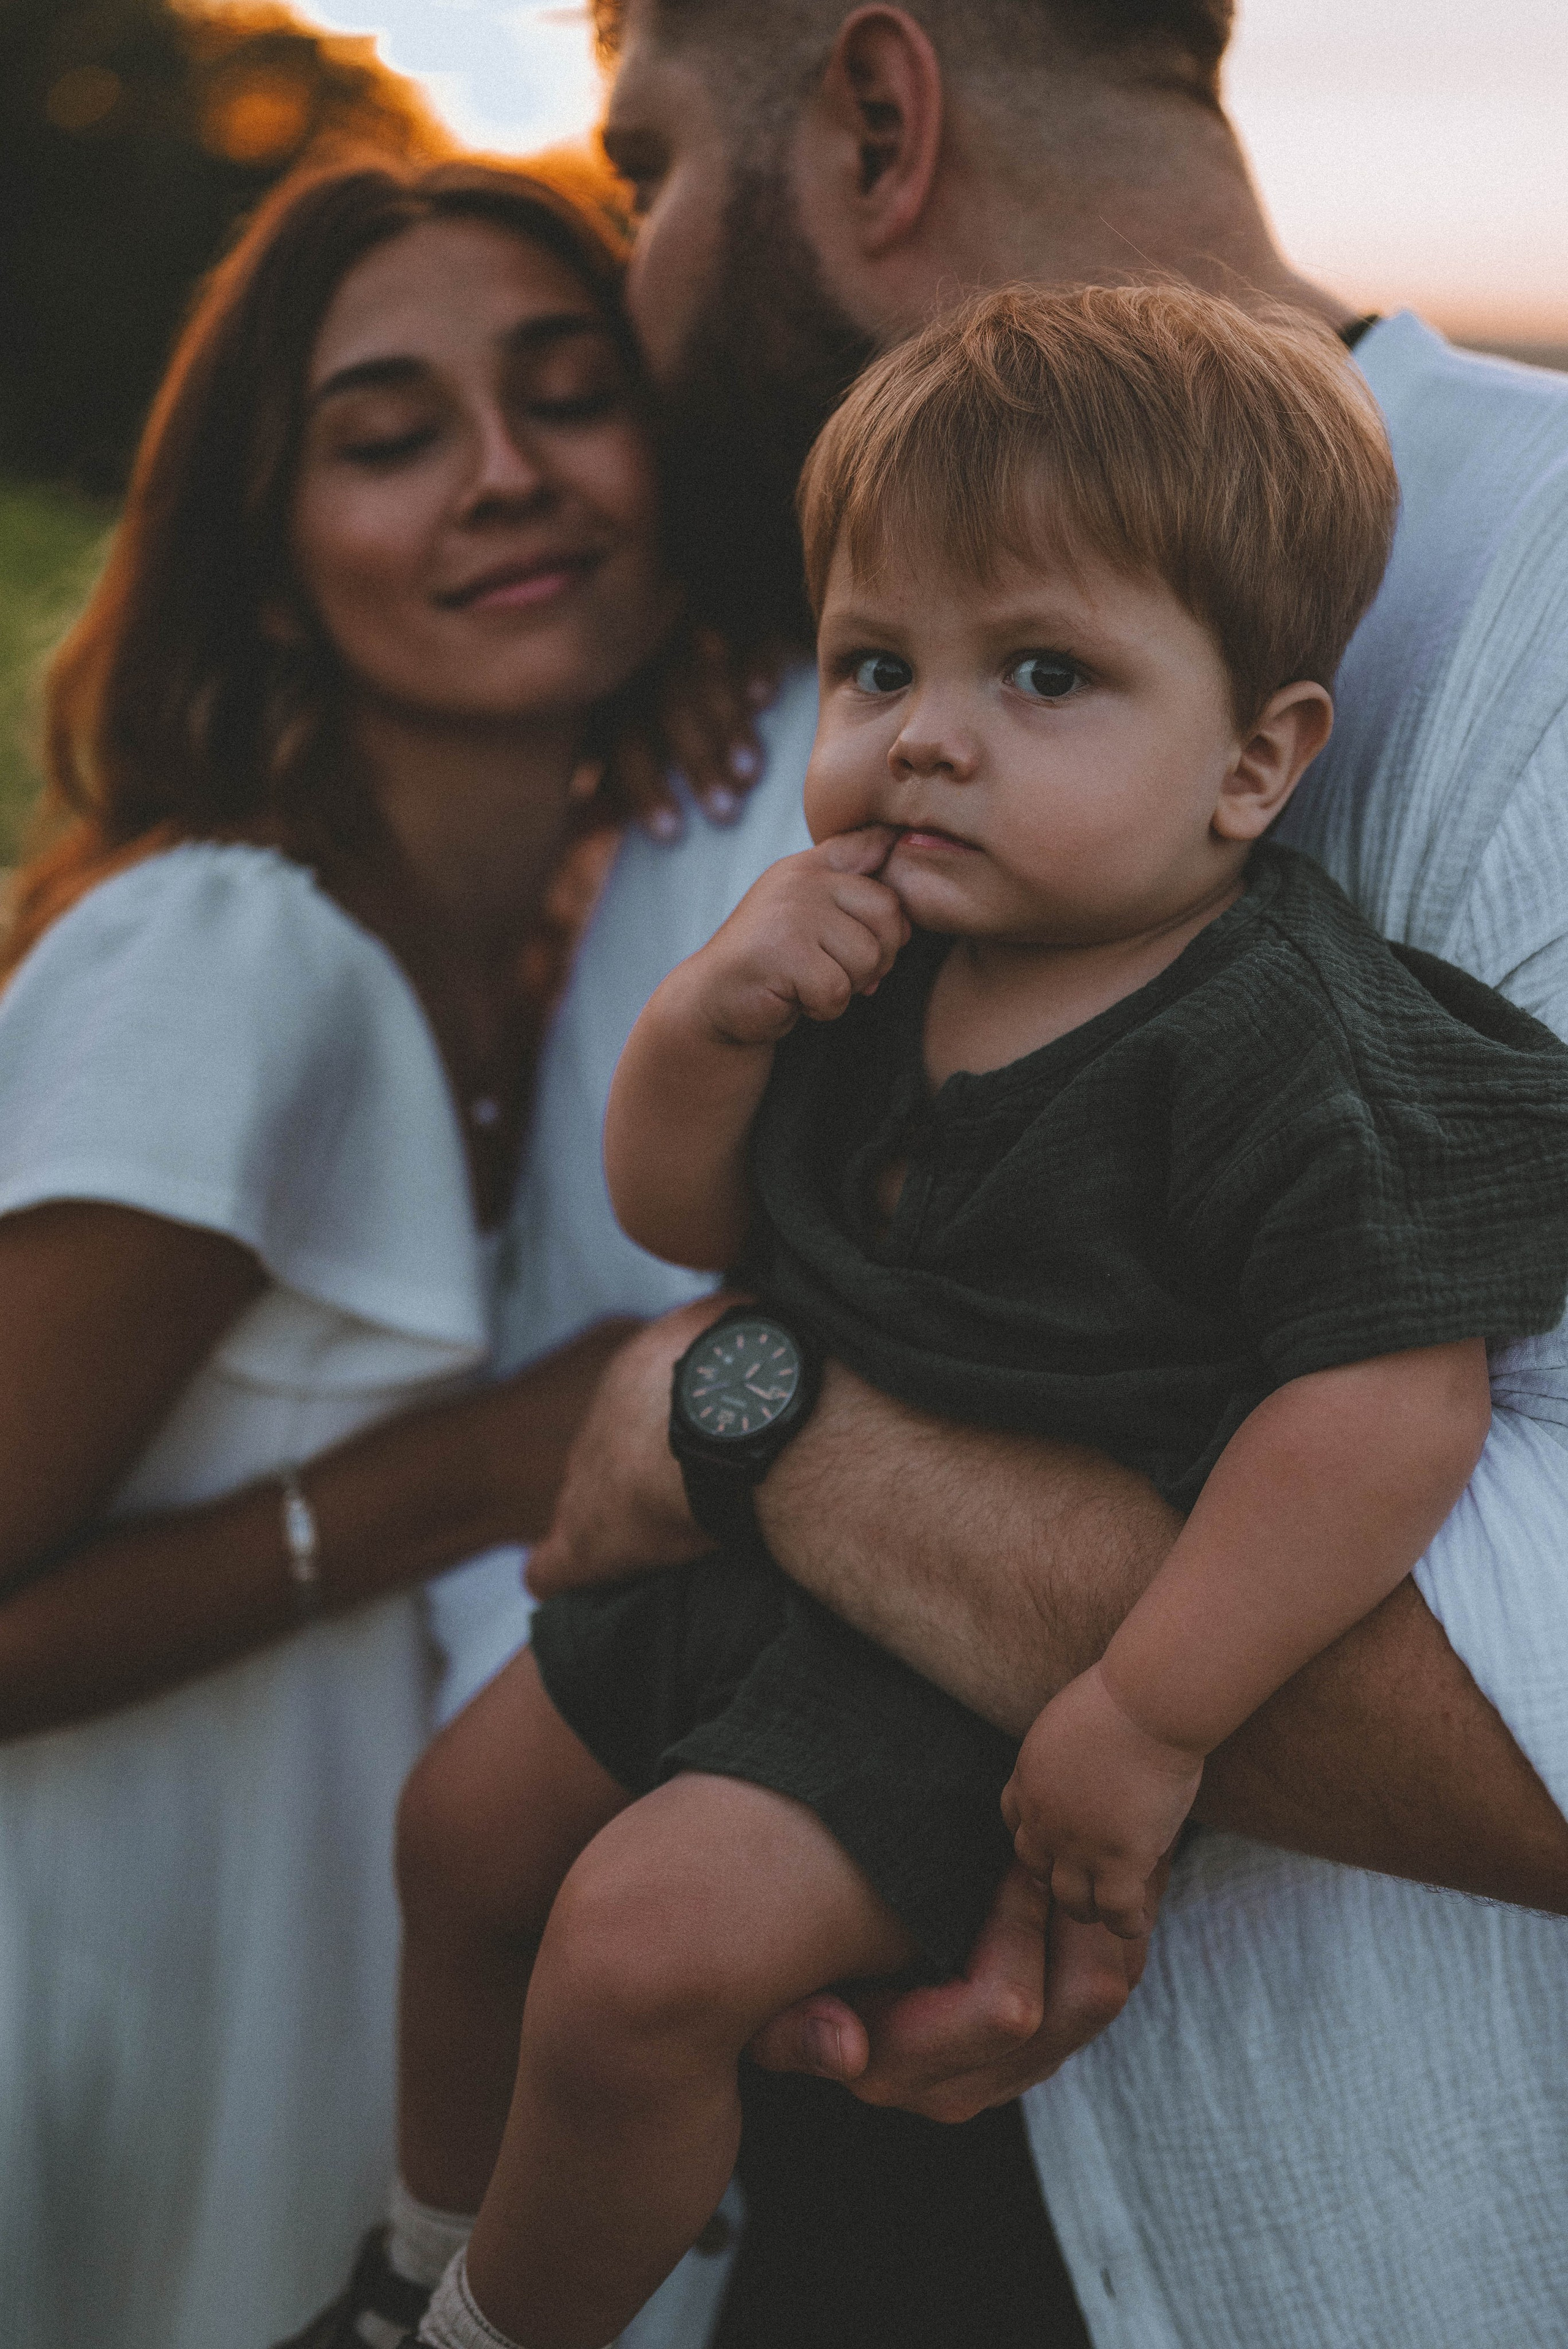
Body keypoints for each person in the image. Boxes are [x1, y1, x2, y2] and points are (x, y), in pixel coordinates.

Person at [496, 2, 1568, 2341]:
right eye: (879, 665)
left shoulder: (1549, 598)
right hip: (837, 2152)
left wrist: (751, 1413)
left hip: (1327, 2255)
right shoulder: (900, 712)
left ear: (881, 124)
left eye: (650, 167)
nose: (636, 273)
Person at [0, 152, 761, 2349]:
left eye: (566, 393)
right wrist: (491, 1459)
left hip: (295, 2046)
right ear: (266, 569)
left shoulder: (566, 941)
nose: (506, 477)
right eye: (390, 435)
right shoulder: (236, 957)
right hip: (90, 2029)